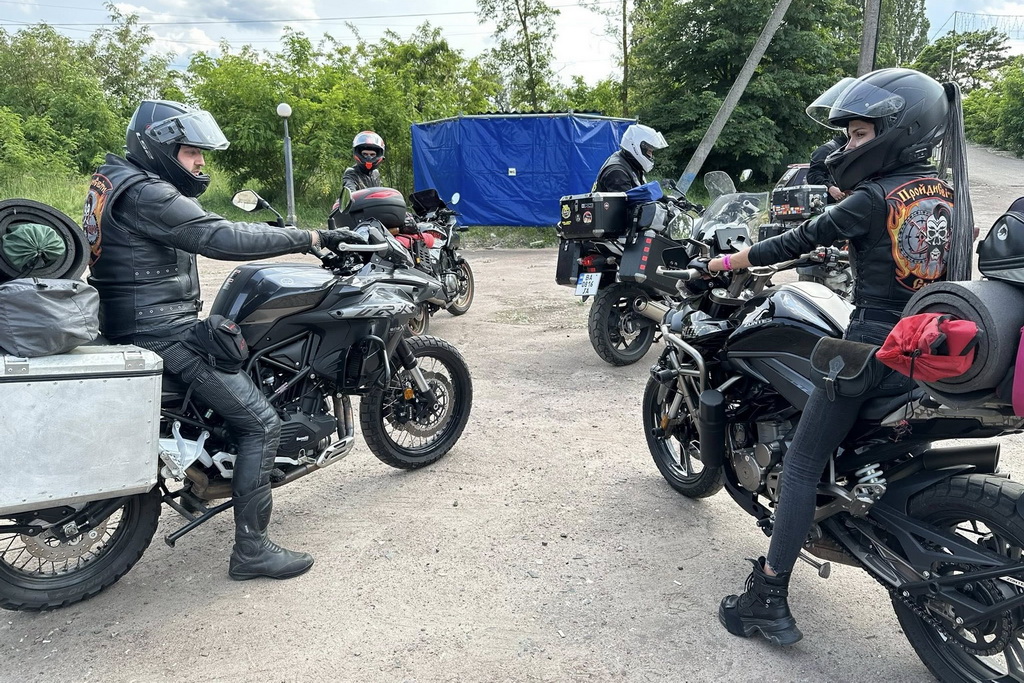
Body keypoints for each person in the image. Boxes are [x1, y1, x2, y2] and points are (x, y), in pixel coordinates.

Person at [694, 69, 972, 645]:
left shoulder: (873, 197)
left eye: (860, 133)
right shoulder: (945, 192)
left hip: (873, 348)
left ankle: (769, 596)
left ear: (899, 130)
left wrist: (725, 262)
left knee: (800, 462)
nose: (848, 144)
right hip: (930, 344)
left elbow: (796, 239)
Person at [85, 100, 365, 581]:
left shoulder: (114, 180)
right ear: (159, 147)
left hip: (132, 321)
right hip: (159, 332)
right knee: (260, 423)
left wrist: (276, 231)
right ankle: (251, 551)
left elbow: (207, 224)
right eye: (191, 152)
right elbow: (220, 238)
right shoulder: (147, 192)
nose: (199, 162)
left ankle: (212, 471)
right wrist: (311, 238)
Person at [592, 123, 668, 192]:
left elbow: (641, 194)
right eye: (649, 151)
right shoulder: (618, 171)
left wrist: (662, 198)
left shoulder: (630, 164)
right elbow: (628, 201)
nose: (651, 156)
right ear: (636, 146)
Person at [807, 133, 849, 203]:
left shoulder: (859, 150)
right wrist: (830, 187)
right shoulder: (825, 150)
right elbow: (813, 175)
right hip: (831, 203)